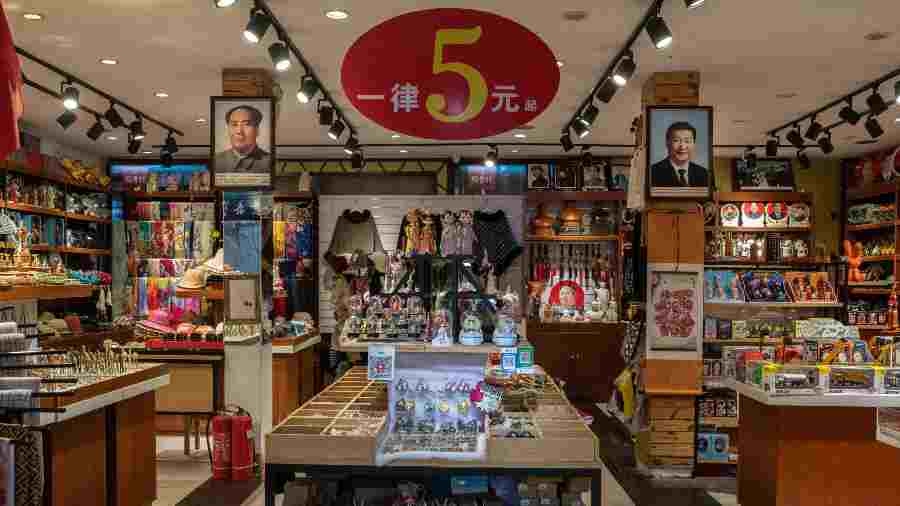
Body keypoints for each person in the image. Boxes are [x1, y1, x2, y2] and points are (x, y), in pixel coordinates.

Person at [214, 105, 271, 174]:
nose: (239, 131)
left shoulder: (270, 163)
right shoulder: (215, 161)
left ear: (257, 130)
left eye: (247, 124)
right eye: (234, 124)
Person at [650, 121, 709, 188]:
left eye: (687, 141)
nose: (682, 146)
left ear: (694, 144)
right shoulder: (652, 173)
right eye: (676, 140)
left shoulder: (704, 174)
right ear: (667, 143)